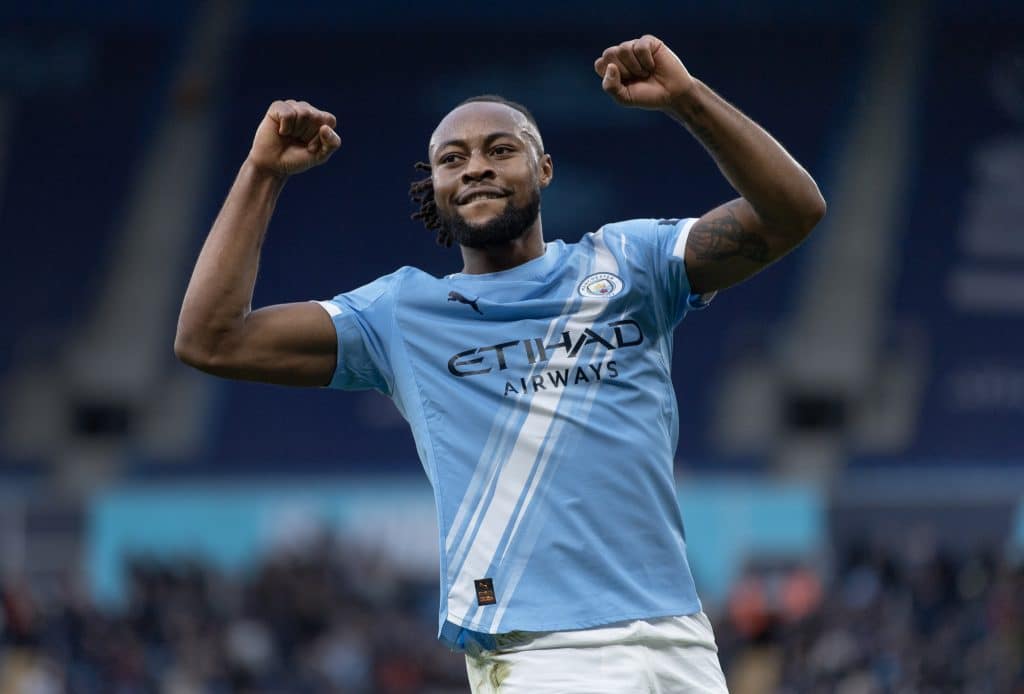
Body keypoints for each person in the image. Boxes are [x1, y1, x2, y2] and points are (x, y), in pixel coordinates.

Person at [175, 34, 825, 693]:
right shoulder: (401, 313)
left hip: (679, 639)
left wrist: (688, 99)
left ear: (543, 168)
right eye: (452, 159)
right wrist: (263, 172)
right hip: (540, 654)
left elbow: (793, 212)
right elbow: (211, 339)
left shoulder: (629, 264)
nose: (477, 166)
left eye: (501, 149)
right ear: (435, 187)